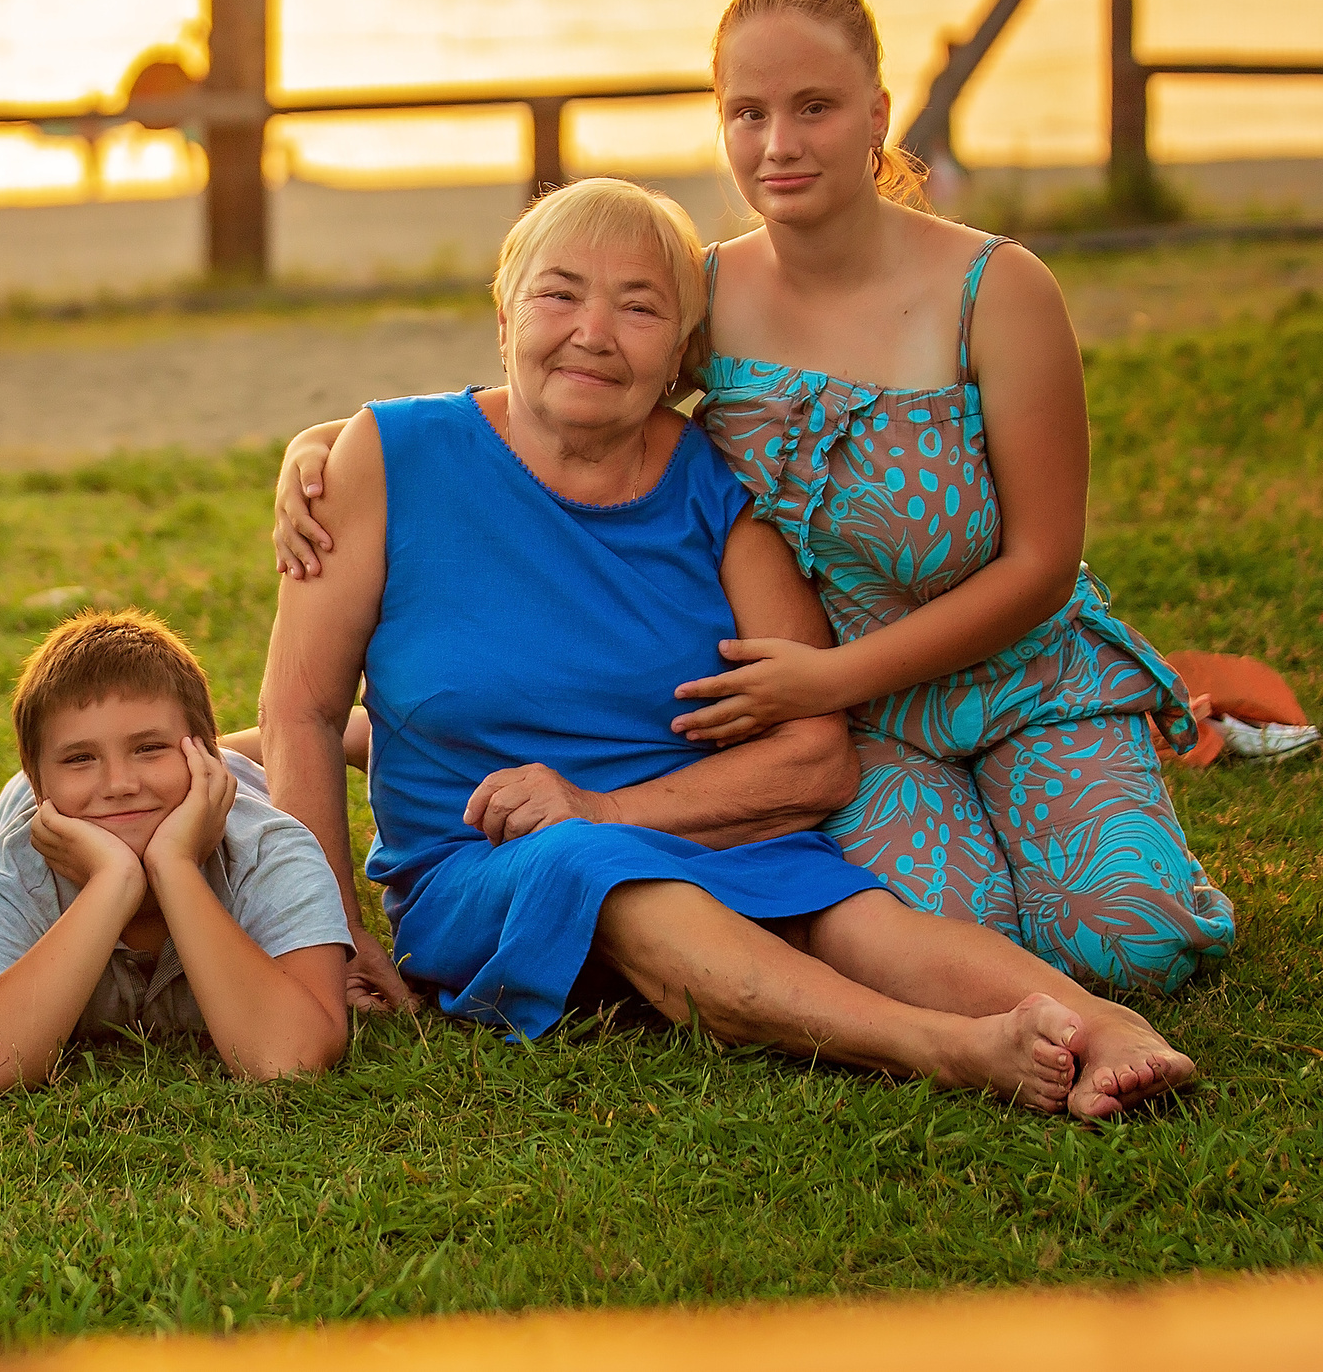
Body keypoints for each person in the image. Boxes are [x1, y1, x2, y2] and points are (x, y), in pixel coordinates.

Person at [260, 178, 1196, 1119]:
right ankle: (944, 1049)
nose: (593, 330)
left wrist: (608, 804)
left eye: (639, 307)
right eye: (559, 293)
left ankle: (1102, 1021)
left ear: (678, 355)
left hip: (693, 827)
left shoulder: (717, 491)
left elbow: (817, 757)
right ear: (503, 314)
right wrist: (329, 930)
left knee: (857, 916)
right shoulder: (384, 456)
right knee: (595, 865)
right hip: (481, 866)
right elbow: (298, 710)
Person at [674, 0, 1233, 991]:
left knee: (1128, 949)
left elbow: (1043, 563)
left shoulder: (996, 288)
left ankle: (1132, 799)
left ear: (877, 114)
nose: (778, 145)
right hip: (864, 729)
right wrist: (336, 446)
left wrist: (828, 677)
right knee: (958, 946)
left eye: (814, 108)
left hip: (1030, 681)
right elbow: (558, 388)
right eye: (746, 113)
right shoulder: (700, 295)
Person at [0, 611, 351, 1092]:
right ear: (39, 782)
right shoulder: (9, 867)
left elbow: (290, 1059)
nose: (119, 784)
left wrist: (174, 866)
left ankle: (278, 746)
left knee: (226, 781)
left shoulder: (270, 850)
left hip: (222, 792)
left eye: (150, 748)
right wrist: (114, 881)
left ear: (204, 758)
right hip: (12, 817)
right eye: (80, 758)